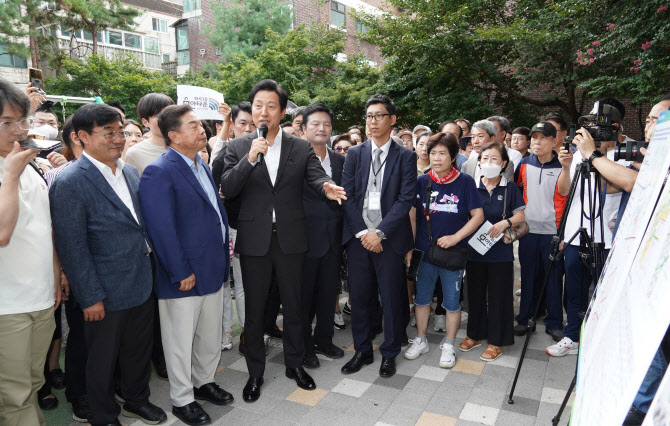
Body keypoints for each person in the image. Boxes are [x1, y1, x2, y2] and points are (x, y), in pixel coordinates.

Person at [221, 79, 346, 402]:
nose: (264, 112)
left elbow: (315, 174)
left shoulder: (299, 146)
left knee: (294, 306)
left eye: (271, 106)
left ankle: (295, 365)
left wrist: (326, 187)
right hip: (254, 241)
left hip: (291, 238)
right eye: (258, 105)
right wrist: (250, 158)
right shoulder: (238, 147)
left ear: (283, 111)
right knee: (254, 310)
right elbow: (229, 187)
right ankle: (255, 374)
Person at [50, 103, 167, 425]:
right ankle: (103, 414)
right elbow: (72, 246)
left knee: (137, 351)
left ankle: (136, 399)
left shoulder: (128, 171)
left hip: (140, 280)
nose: (118, 139)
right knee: (101, 359)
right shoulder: (71, 181)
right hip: (103, 290)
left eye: (120, 131)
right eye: (108, 133)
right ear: (82, 137)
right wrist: (90, 297)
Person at [139, 104, 232, 426]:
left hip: (211, 267)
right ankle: (182, 399)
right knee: (179, 341)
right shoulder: (159, 170)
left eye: (200, 124)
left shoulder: (200, 164)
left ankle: (204, 382)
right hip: (183, 274)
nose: (202, 129)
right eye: (193, 126)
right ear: (174, 136)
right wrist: (180, 272)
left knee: (209, 334)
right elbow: (160, 228)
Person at [0, 78, 62, 426]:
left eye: (22, 121)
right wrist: (9, 175)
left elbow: (45, 226)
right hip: (7, 305)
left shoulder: (32, 164)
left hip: (40, 297)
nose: (18, 131)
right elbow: (2, 233)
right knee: (15, 393)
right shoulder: (12, 167)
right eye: (6, 123)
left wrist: (55, 277)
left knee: (32, 381)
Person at [340, 94, 415, 379]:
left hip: (390, 240)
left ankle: (390, 352)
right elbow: (347, 196)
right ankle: (362, 350)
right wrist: (363, 232)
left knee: (393, 298)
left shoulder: (405, 156)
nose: (372, 121)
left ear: (392, 120)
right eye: (369, 116)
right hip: (359, 239)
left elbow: (405, 199)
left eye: (378, 116)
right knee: (360, 297)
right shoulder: (356, 154)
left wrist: (380, 233)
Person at [546, 100, 629, 357]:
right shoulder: (582, 153)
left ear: (612, 126)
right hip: (575, 234)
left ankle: (604, 342)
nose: (590, 127)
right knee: (574, 290)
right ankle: (572, 337)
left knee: (605, 295)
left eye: (595, 122)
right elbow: (563, 191)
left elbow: (615, 186)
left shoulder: (626, 153)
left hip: (606, 239)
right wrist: (567, 166)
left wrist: (593, 156)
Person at [405, 133, 484, 368]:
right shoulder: (421, 181)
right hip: (425, 252)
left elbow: (477, 216)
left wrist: (455, 237)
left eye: (442, 153)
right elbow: (412, 215)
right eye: (432, 153)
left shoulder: (465, 182)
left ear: (453, 156)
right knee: (422, 299)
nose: (436, 158)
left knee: (451, 302)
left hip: (453, 253)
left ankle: (448, 344)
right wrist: (410, 246)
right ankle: (421, 339)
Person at [459, 142, 525, 361]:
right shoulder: (470, 186)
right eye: (485, 158)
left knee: (499, 297)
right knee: (475, 295)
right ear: (479, 162)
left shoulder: (510, 189)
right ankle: (475, 334)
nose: (489, 162)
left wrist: (505, 222)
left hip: (500, 254)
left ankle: (496, 341)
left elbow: (521, 217)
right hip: (474, 252)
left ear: (503, 163)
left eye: (494, 159)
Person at [299, 102, 347, 369]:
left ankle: (324, 339)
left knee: (330, 294)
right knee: (304, 297)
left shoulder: (341, 159)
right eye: (315, 124)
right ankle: (305, 347)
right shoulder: (294, 159)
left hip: (334, 241)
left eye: (326, 124)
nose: (321, 128)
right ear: (304, 128)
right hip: (304, 242)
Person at [514, 122, 567, 342]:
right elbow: (517, 191)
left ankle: (554, 323)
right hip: (528, 232)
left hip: (553, 232)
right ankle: (525, 318)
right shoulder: (524, 164)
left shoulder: (563, 165)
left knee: (553, 279)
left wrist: (563, 234)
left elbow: (568, 196)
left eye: (542, 138)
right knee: (527, 277)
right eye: (534, 138)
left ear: (554, 141)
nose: (537, 142)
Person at [211, 101, 255, 352]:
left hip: (251, 230)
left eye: (252, 124)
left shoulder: (263, 153)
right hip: (227, 230)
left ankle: (248, 331)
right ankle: (225, 331)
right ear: (232, 126)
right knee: (224, 285)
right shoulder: (223, 157)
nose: (248, 129)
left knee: (245, 284)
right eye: (242, 123)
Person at [124, 93, 174, 176]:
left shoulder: (186, 148)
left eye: (169, 114)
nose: (166, 120)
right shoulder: (134, 154)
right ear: (145, 122)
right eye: (159, 116)